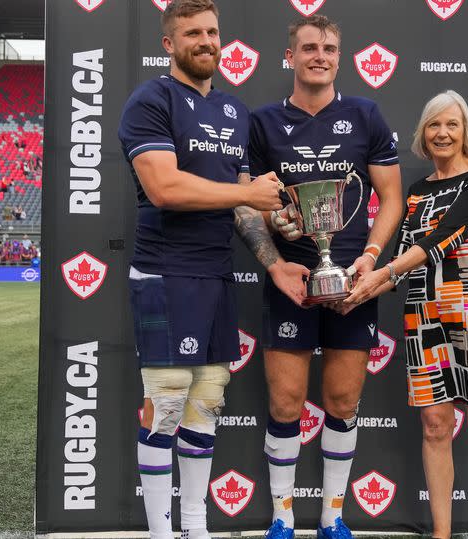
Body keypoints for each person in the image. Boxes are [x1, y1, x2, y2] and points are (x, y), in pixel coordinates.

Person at [117, 2, 308, 538]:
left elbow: (245, 207)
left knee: (207, 401)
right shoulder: (151, 100)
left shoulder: (233, 112)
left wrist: (274, 263)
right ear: (169, 43)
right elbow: (164, 187)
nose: (206, 41)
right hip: (164, 272)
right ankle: (161, 532)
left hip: (217, 273)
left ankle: (195, 527)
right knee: (167, 398)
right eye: (192, 33)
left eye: (212, 32)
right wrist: (246, 191)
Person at [248, 14, 403, 539]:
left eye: (330, 48)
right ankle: (282, 517)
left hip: (353, 283)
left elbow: (392, 198)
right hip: (289, 281)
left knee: (341, 402)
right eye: (309, 47)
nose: (320, 55)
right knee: (286, 403)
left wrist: (372, 257)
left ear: (340, 56)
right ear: (289, 56)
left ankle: (334, 516)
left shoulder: (366, 115)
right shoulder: (262, 122)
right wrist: (275, 256)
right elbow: (248, 206)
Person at [345, 91, 468, 539]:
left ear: (465, 131)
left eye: (452, 124)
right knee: (436, 425)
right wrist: (360, 290)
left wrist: (386, 271)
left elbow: (445, 235)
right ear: (422, 133)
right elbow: (401, 259)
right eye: (434, 125)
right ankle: (441, 533)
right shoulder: (416, 191)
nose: (442, 133)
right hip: (422, 314)